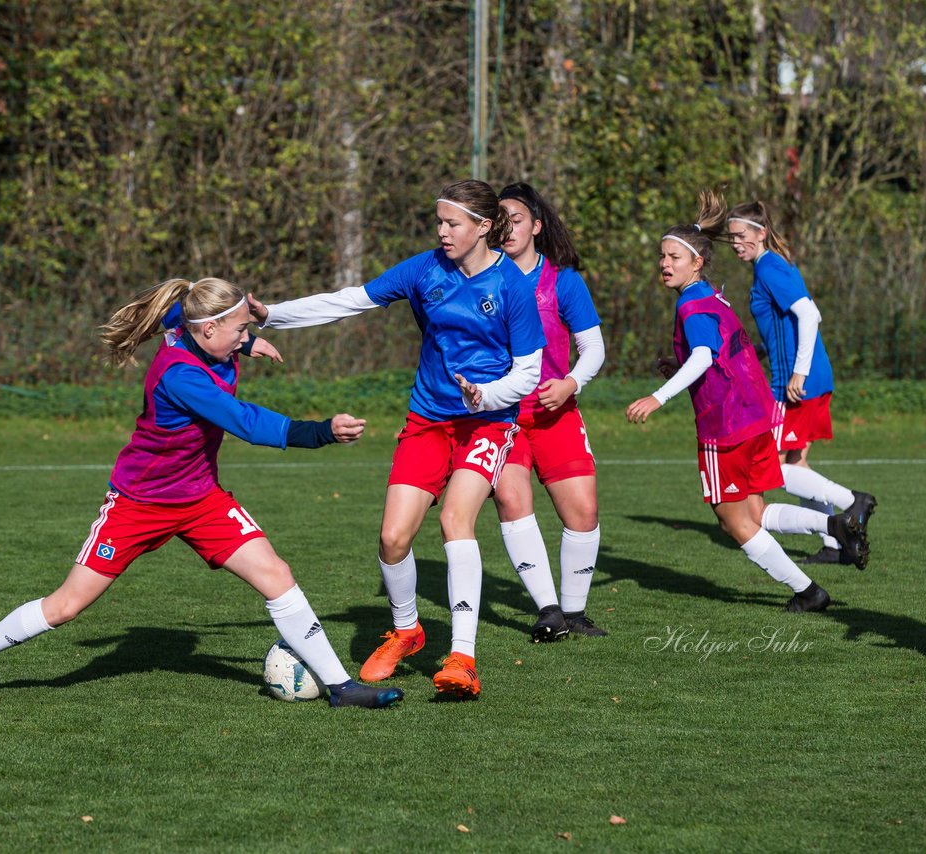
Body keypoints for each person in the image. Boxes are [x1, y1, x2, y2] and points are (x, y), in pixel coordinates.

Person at [0, 277, 404, 709]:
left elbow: (180, 310)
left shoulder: (194, 326)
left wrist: (245, 343)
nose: (246, 337)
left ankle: (340, 687)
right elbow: (245, 423)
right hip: (138, 504)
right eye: (239, 331)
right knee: (65, 607)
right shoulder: (181, 375)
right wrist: (319, 431)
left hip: (201, 500)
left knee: (276, 574)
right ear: (207, 331)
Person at [248, 179, 546, 699]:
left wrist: (487, 395)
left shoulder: (512, 287)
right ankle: (408, 631)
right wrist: (273, 314)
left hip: (488, 422)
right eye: (439, 221)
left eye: (452, 223)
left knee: (457, 520)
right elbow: (350, 301)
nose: (442, 231)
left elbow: (529, 372)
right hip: (428, 420)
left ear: (482, 227)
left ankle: (462, 658)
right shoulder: (424, 269)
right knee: (392, 538)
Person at [624, 191, 867, 613]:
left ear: (696, 262)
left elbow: (704, 356)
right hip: (755, 415)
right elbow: (719, 352)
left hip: (727, 425)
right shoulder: (712, 297)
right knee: (754, 510)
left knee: (733, 521)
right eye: (661, 256)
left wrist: (658, 397)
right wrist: (676, 362)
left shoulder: (691, 304)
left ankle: (809, 591)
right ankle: (834, 523)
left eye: (673, 257)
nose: (664, 264)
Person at [726, 202, 875, 567]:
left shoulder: (770, 266)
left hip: (793, 385)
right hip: (805, 377)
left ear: (761, 233)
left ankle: (853, 502)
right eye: (731, 238)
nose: (735, 244)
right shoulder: (770, 265)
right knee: (797, 462)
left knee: (770, 466)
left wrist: (798, 372)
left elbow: (809, 314)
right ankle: (835, 543)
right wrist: (763, 350)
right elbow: (792, 323)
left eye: (740, 236)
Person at [492, 182, 606, 641]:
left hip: (555, 411)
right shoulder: (483, 281)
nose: (508, 229)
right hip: (502, 419)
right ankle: (549, 610)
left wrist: (571, 383)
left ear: (537, 226)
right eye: (499, 222)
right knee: (511, 500)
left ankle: (575, 613)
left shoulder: (562, 281)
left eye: (516, 219)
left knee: (583, 512)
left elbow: (593, 347)